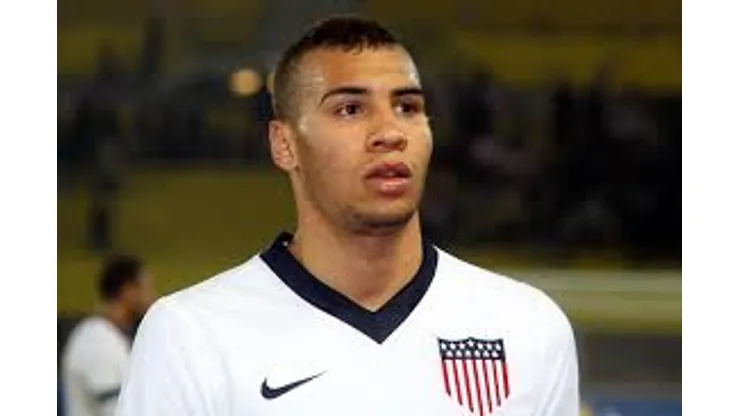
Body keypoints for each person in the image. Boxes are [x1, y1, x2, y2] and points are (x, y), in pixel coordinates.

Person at [116, 16, 579, 416]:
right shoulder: (191, 336)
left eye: (408, 107)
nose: (390, 132)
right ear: (284, 144)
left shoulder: (528, 328)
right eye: (351, 109)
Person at [62, 255, 154, 416]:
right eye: (146, 288)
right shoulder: (97, 342)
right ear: (128, 291)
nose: (151, 297)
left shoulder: (109, 336)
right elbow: (119, 411)